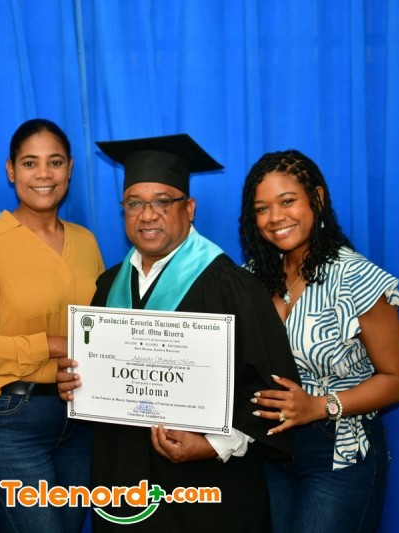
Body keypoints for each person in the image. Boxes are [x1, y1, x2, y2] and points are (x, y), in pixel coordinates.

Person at [57, 134, 300, 532]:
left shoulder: (230, 286)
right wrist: (76, 381)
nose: (147, 215)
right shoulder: (109, 286)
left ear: (189, 209)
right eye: (134, 203)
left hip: (208, 493)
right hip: (124, 485)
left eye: (162, 202)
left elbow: (274, 391)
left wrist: (213, 444)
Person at [238, 149, 399, 532]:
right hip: (268, 452)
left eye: (287, 201)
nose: (275, 217)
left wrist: (319, 406)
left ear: (317, 198)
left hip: (338, 454)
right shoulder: (250, 278)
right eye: (262, 208)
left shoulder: (355, 277)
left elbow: (398, 380)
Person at [0, 119, 104, 532]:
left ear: (70, 168)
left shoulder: (86, 241)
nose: (43, 174)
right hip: (11, 419)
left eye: (55, 162)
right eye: (30, 163)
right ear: (10, 170)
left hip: (81, 418)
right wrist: (51, 344)